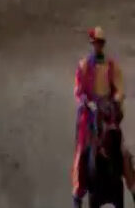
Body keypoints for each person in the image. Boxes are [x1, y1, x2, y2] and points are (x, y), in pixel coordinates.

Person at [72, 26, 125, 207]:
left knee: (122, 150)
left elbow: (119, 88)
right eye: (96, 43)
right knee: (82, 153)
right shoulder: (84, 65)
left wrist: (114, 101)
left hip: (108, 112)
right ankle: (77, 193)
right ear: (92, 44)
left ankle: (132, 186)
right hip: (89, 114)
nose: (98, 46)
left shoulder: (111, 65)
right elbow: (78, 91)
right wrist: (88, 101)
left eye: (101, 43)